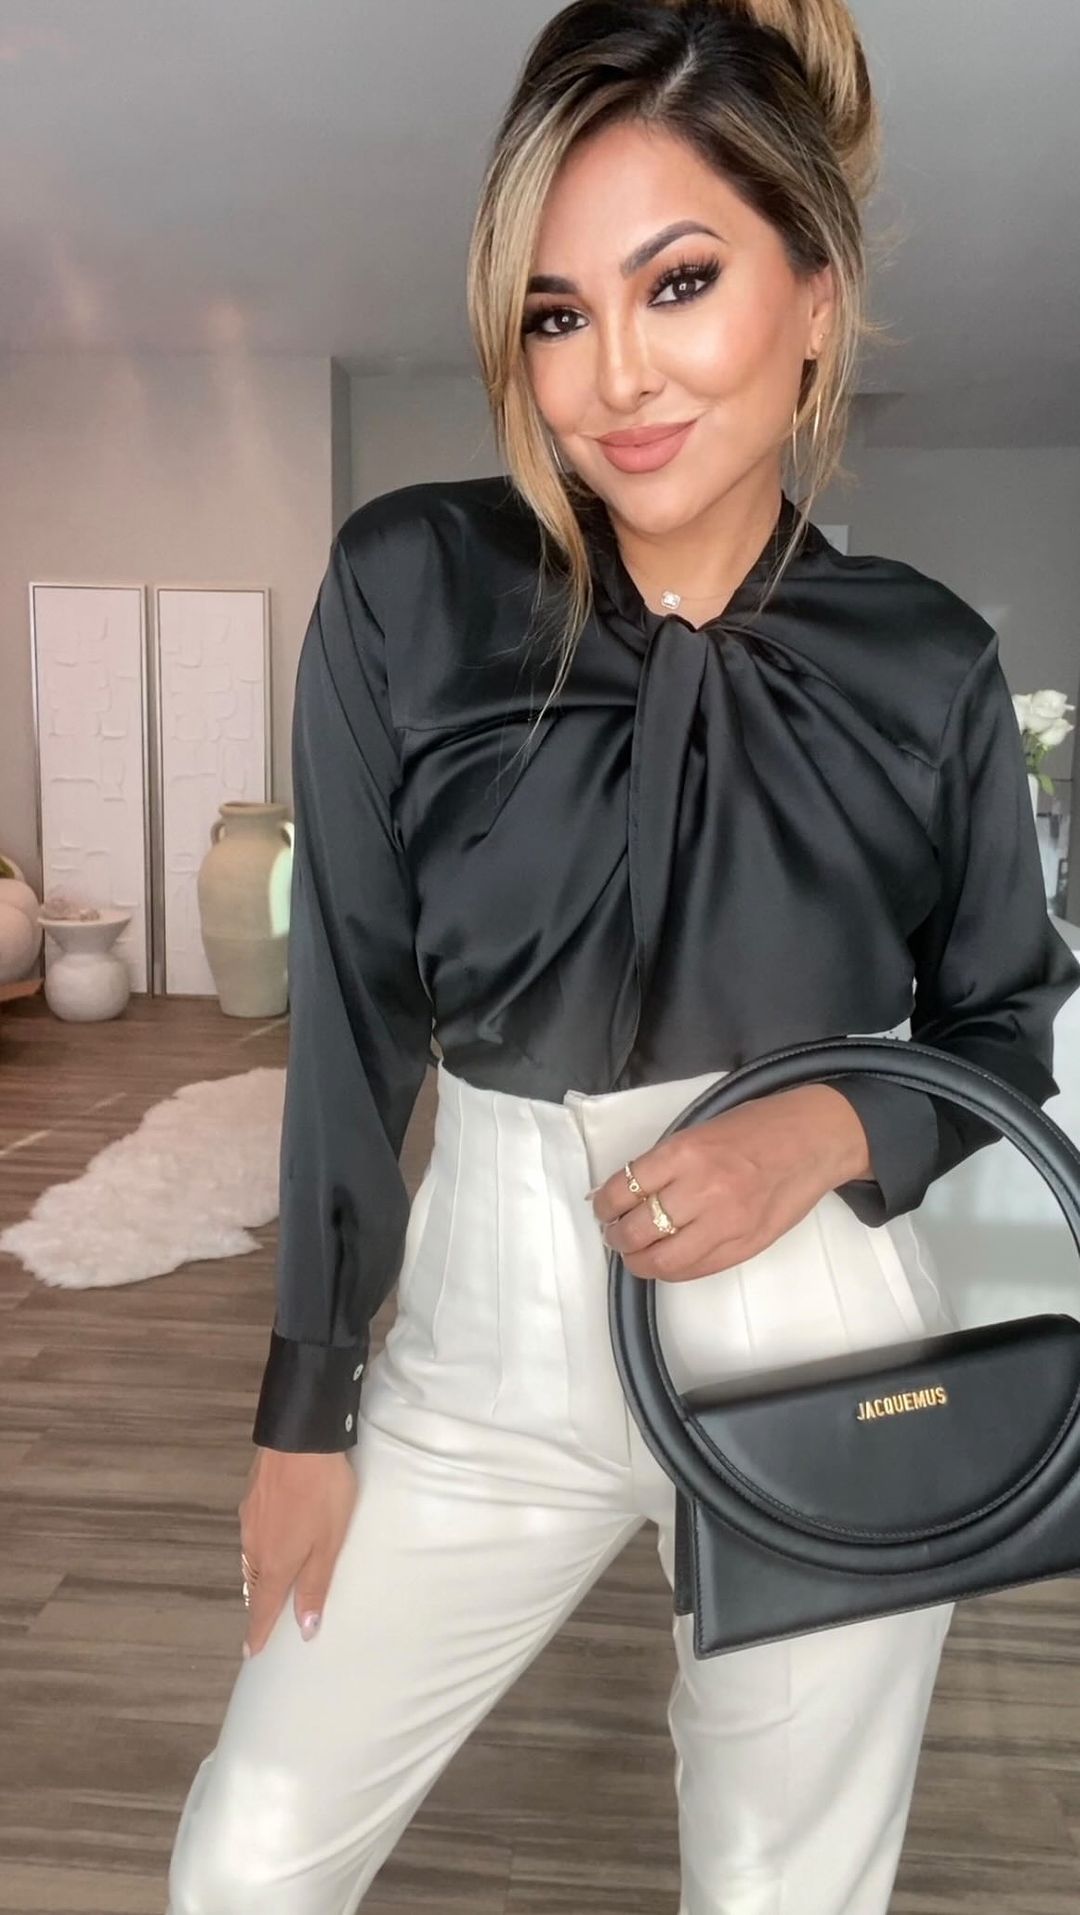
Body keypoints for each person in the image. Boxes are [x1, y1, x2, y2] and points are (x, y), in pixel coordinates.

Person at [166, 2, 1080, 1911]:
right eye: (558, 314)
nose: (614, 377)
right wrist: (306, 1408)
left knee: (783, 1892)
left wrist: (821, 1131)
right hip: (480, 1338)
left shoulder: (927, 666)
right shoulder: (410, 591)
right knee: (246, 1856)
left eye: (681, 284)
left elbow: (1003, 1024)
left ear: (815, 295)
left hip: (816, 1329)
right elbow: (350, 1018)